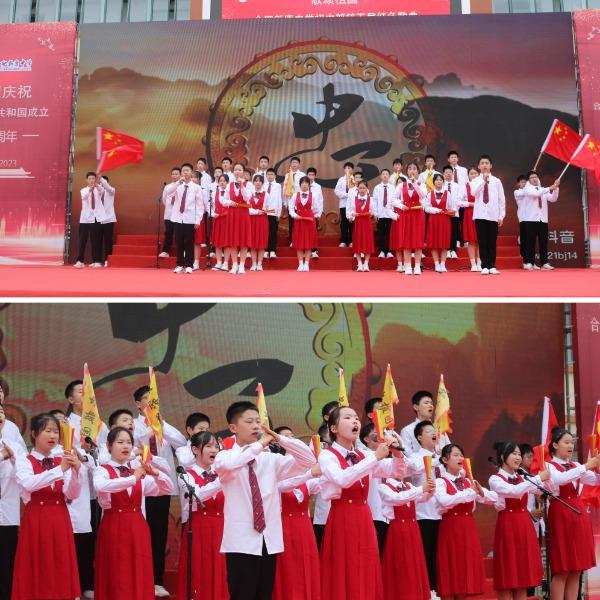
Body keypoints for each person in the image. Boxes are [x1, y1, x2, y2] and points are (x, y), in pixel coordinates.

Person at [215, 400, 316, 600]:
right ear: (233, 428)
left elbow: (308, 461)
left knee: (264, 594)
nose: (256, 426)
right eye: (249, 422)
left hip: (268, 540)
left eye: (258, 421)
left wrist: (280, 438)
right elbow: (232, 464)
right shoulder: (224, 457)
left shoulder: (270, 460)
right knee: (242, 595)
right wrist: (260, 444)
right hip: (241, 542)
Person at [318, 405, 406, 600]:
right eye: (348, 417)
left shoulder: (363, 455)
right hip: (342, 516)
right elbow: (342, 479)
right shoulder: (327, 455)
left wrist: (398, 453)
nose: (355, 421)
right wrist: (375, 457)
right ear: (333, 428)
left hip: (364, 516)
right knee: (344, 567)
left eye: (356, 418)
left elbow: (397, 471)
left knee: (365, 565)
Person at [93, 426, 173, 600]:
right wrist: (133, 478)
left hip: (137, 526)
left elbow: (167, 488)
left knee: (138, 568)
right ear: (109, 446)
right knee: (117, 570)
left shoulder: (138, 471)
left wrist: (156, 473)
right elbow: (101, 486)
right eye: (120, 442)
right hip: (114, 525)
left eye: (129, 442)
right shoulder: (102, 470)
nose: (125, 446)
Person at [12, 413, 83, 600]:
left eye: (56, 432)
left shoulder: (62, 460)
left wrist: (77, 472)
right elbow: (28, 483)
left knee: (60, 561)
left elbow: (72, 494)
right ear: (34, 434)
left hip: (60, 517)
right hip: (36, 517)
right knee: (38, 562)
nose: (53, 436)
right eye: (47, 431)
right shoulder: (24, 460)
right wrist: (60, 469)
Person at [133, 385, 186, 598]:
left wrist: (161, 424)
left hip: (161, 487)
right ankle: (140, 578)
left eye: (154, 399)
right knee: (140, 535)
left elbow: (181, 442)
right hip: (141, 486)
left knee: (159, 534)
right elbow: (137, 441)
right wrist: (151, 426)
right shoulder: (134, 425)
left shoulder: (163, 425)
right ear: (138, 404)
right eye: (147, 399)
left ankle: (157, 580)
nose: (152, 402)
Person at [435, 443, 497, 600]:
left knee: (464, 572)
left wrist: (481, 493)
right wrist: (469, 493)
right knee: (451, 570)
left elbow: (493, 498)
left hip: (468, 528)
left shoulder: (469, 482)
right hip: (451, 528)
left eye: (461, 455)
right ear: (445, 460)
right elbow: (444, 500)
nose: (460, 458)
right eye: (455, 455)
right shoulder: (441, 482)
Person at [488, 441, 548, 600]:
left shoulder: (522, 477)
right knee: (508, 574)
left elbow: (541, 488)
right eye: (514, 454)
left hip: (524, 525)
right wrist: (537, 479)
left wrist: (542, 483)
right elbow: (513, 491)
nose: (518, 457)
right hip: (508, 525)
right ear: (503, 457)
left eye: (519, 454)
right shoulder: (495, 479)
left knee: (522, 576)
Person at [546, 427, 600, 600]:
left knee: (577, 568)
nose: (571, 446)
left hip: (578, 513)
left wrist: (597, 468)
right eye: (566, 442)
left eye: (572, 442)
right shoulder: (549, 465)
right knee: (563, 568)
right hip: (561, 512)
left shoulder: (575, 465)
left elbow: (594, 480)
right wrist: (587, 466)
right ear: (555, 445)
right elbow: (560, 479)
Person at [176, 431, 227, 600]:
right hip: (198, 528)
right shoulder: (185, 475)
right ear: (195, 450)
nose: (214, 450)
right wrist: (220, 481)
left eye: (216, 446)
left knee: (221, 572)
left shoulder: (221, 474)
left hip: (222, 528)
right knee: (199, 570)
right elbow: (196, 495)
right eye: (209, 446)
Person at [379, 469, 433, 600]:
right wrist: (421, 489)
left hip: (413, 529)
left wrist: (430, 490)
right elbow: (397, 498)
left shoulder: (409, 486)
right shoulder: (384, 487)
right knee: (402, 565)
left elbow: (421, 498)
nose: (402, 469)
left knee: (414, 565)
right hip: (398, 530)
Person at [272, 463, 322, 600]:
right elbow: (286, 485)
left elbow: (326, 482)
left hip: (305, 529)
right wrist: (309, 474)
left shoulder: (308, 483)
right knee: (288, 566)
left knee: (306, 562)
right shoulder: (277, 483)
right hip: (285, 528)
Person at [405, 420, 443, 598]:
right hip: (424, 513)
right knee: (427, 554)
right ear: (419, 437)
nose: (433, 433)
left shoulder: (442, 457)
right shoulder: (415, 457)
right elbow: (412, 470)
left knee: (440, 555)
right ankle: (429, 590)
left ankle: (440, 589)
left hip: (442, 511)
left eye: (434, 430)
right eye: (428, 431)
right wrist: (435, 461)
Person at [165, 163, 205, 274]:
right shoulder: (177, 186)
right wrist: (178, 182)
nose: (186, 172)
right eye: (184, 171)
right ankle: (179, 264)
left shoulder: (196, 188)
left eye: (188, 170)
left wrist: (197, 220)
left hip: (190, 219)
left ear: (191, 173)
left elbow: (200, 205)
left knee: (189, 243)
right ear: (181, 173)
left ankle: (189, 265)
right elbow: (168, 192)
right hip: (178, 218)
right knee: (179, 242)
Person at [388, 162, 427, 275]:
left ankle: (417, 266)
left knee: (418, 240)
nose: (412, 171)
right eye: (410, 169)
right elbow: (392, 200)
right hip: (406, 214)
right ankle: (408, 266)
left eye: (414, 169)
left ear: (418, 172)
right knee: (406, 241)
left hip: (418, 214)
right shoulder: (401, 185)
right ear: (407, 172)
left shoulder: (422, 185)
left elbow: (423, 195)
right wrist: (401, 206)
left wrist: (414, 184)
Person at [470, 155, 506, 275]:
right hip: (480, 215)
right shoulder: (475, 180)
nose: (484, 165)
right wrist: (483, 181)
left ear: (491, 166)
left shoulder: (497, 181)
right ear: (479, 166)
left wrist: (501, 215)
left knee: (492, 241)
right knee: (482, 241)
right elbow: (473, 193)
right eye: (482, 163)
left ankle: (492, 265)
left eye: (487, 163)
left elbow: (501, 199)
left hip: (493, 215)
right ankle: (484, 265)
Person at [519, 171, 560, 271]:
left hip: (543, 219)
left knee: (543, 242)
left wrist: (556, 188)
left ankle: (544, 263)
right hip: (531, 220)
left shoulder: (543, 190)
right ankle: (530, 262)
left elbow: (553, 199)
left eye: (536, 177)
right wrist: (550, 188)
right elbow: (535, 194)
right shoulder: (527, 189)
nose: (534, 178)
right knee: (530, 242)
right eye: (532, 177)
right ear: (529, 180)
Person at [359, 423, 389, 554]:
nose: (381, 436)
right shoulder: (363, 456)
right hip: (372, 511)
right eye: (376, 433)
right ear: (366, 439)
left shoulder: (387, 457)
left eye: (383, 433)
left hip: (386, 514)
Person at [0, 405, 19, 600]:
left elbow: (24, 464)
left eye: (1, 412)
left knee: (7, 557)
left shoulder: (12, 436)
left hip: (8, 509)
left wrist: (12, 456)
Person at [222, 162, 253, 275]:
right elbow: (223, 200)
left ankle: (242, 265)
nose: (237, 172)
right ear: (233, 171)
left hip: (243, 213)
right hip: (232, 214)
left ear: (243, 172)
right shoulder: (229, 185)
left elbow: (247, 198)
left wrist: (242, 186)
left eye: (240, 170)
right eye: (235, 169)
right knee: (233, 240)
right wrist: (229, 202)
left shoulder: (248, 184)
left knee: (243, 240)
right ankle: (234, 264)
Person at [400, 390, 451, 456]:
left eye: (431, 403)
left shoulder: (439, 428)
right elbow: (407, 455)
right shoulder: (407, 430)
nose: (430, 405)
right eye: (426, 403)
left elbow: (449, 449)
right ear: (416, 407)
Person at [75, 171, 108, 268]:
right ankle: (80, 261)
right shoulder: (83, 190)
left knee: (95, 240)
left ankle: (97, 261)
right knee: (82, 240)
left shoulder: (99, 189)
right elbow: (84, 197)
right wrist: (90, 189)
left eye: (93, 178)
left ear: (95, 180)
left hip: (95, 218)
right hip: (85, 218)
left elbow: (102, 190)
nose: (91, 180)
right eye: (89, 179)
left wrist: (96, 184)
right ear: (86, 180)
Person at [289, 176, 322, 272]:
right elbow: (290, 208)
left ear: (309, 185)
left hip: (309, 221)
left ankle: (306, 264)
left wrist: (309, 215)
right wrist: (295, 215)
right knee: (299, 243)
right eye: (302, 183)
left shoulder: (313, 195)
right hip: (298, 220)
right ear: (300, 185)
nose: (304, 185)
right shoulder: (295, 195)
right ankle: (300, 264)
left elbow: (316, 209)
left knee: (309, 243)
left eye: (306, 183)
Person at [425, 173, 455, 274]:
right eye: (437, 180)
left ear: (443, 182)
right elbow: (426, 208)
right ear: (433, 182)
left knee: (444, 242)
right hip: (433, 219)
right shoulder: (430, 194)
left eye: (440, 180)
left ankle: (443, 263)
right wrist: (436, 210)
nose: (439, 181)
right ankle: (436, 264)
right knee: (434, 243)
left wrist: (450, 211)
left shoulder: (448, 193)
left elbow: (452, 207)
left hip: (445, 220)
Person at [346, 180, 375, 271]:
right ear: (357, 189)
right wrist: (352, 214)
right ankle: (359, 264)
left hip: (367, 223)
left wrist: (372, 213)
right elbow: (349, 210)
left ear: (367, 189)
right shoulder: (353, 199)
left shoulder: (371, 199)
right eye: (360, 188)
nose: (362, 190)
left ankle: (366, 263)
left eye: (364, 188)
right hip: (358, 223)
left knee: (368, 242)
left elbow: (374, 211)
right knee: (357, 242)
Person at [446, 151, 468, 258]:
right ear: (448, 159)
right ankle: (453, 243)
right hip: (449, 204)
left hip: (461, 199)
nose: (454, 159)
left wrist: (463, 198)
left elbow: (466, 184)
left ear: (458, 159)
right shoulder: (446, 172)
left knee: (461, 221)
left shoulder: (463, 170)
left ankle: (461, 240)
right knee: (450, 225)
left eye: (455, 157)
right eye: (452, 157)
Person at [249, 174, 271, 271]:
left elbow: (269, 208)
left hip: (262, 220)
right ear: (253, 182)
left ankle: (259, 263)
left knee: (262, 242)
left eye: (260, 181)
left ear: (262, 183)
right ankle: (254, 263)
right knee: (253, 242)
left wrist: (263, 211)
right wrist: (257, 211)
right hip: (251, 220)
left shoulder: (266, 195)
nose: (258, 183)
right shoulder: (249, 193)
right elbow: (247, 208)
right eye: (256, 181)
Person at [211, 174, 232, 272]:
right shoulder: (214, 192)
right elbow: (210, 205)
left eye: (224, 181)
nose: (222, 182)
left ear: (227, 182)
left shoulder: (230, 192)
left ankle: (226, 263)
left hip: (227, 219)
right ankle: (219, 262)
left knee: (226, 241)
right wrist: (212, 213)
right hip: (217, 218)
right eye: (220, 181)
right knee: (217, 241)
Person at [159, 167, 181, 258]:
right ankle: (166, 251)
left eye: (176, 174)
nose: (174, 175)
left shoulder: (182, 186)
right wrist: (170, 207)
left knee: (180, 234)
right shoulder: (167, 187)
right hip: (169, 213)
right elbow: (164, 199)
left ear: (180, 175)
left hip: (179, 214)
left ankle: (181, 252)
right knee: (168, 232)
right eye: (173, 174)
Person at [373, 168, 395, 258]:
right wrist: (375, 213)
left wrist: (393, 213)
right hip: (380, 214)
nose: (385, 175)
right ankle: (382, 250)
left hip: (390, 214)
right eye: (383, 174)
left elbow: (394, 200)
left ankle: (389, 251)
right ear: (380, 176)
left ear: (389, 176)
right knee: (380, 233)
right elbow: (374, 201)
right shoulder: (377, 188)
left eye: (386, 174)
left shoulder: (393, 187)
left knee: (390, 233)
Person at [462, 167, 481, 271]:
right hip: (469, 213)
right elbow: (459, 202)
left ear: (478, 174)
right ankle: (473, 264)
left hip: (481, 214)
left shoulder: (482, 185)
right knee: (471, 240)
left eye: (475, 173)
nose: (473, 175)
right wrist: (470, 204)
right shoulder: (465, 187)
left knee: (480, 239)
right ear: (468, 176)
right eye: (471, 174)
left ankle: (480, 263)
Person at [283, 157, 306, 243]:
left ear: (299, 164)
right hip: (290, 202)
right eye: (292, 162)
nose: (294, 164)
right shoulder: (287, 175)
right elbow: (284, 189)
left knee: (300, 223)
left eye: (296, 162)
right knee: (291, 222)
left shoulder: (302, 175)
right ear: (290, 164)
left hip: (300, 202)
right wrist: (285, 202)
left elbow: (305, 189)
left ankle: (300, 240)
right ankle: (292, 241)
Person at [97, 174, 116, 267]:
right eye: (100, 183)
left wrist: (101, 178)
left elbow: (107, 187)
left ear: (107, 183)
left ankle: (107, 260)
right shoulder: (97, 192)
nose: (101, 184)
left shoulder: (111, 191)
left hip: (109, 220)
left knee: (108, 241)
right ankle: (97, 260)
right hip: (98, 219)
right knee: (98, 241)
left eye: (103, 182)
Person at [334, 162, 355, 248]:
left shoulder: (354, 179)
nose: (347, 169)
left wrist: (351, 195)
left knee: (352, 223)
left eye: (349, 168)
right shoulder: (341, 179)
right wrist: (346, 194)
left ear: (352, 170)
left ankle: (351, 241)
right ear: (344, 169)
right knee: (344, 223)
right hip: (343, 204)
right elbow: (336, 191)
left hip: (353, 205)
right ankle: (343, 241)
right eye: (346, 168)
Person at [265, 168, 282, 258]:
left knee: (272, 232)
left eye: (272, 174)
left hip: (273, 212)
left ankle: (272, 250)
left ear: (275, 176)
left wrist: (278, 213)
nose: (270, 176)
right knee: (265, 232)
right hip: (264, 212)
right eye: (268, 174)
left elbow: (279, 199)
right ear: (266, 175)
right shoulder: (263, 185)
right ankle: (265, 250)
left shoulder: (278, 186)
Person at [307, 167, 322, 259]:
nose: (311, 177)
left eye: (312, 175)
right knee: (305, 233)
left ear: (315, 176)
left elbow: (320, 201)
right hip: (304, 214)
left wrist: (319, 213)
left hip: (314, 214)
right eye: (309, 175)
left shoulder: (318, 187)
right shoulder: (303, 185)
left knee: (313, 233)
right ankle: (305, 250)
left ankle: (314, 250)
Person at [513, 175, 528, 266]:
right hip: (523, 218)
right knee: (524, 240)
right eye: (522, 182)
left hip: (532, 218)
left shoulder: (530, 191)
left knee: (530, 240)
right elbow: (524, 193)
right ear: (518, 183)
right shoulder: (517, 192)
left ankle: (530, 261)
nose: (524, 183)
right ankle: (524, 260)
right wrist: (529, 185)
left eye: (525, 182)